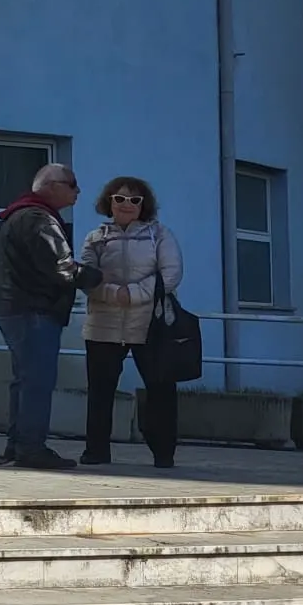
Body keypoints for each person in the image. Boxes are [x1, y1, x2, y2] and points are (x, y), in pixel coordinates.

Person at [0, 164, 102, 470]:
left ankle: (17, 445)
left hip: (16, 307)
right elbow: (61, 268)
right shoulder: (39, 218)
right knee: (37, 381)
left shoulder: (22, 214)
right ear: (51, 186)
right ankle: (30, 447)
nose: (77, 191)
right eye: (72, 184)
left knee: (25, 380)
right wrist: (97, 277)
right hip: (34, 309)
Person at [80, 177, 183, 468]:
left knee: (160, 390)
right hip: (103, 324)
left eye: (134, 200)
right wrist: (114, 294)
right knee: (100, 392)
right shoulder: (95, 237)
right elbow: (86, 277)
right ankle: (96, 452)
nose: (126, 205)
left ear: (144, 205)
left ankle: (164, 454)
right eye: (120, 198)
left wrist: (133, 294)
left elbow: (170, 275)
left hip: (151, 325)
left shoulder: (160, 235)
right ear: (109, 201)